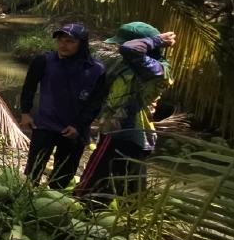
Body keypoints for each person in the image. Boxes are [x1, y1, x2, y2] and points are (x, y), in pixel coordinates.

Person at [76, 22, 176, 202]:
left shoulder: (155, 68)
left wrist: (156, 40)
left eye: (120, 43)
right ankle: (123, 215)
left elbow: (130, 49)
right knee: (128, 183)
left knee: (96, 177)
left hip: (121, 131)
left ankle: (83, 204)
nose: (118, 47)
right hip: (135, 132)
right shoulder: (133, 65)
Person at [19, 23, 107, 188]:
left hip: (74, 130)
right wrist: (25, 113)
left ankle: (53, 202)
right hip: (45, 124)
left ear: (82, 44)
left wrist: (78, 126)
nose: (62, 45)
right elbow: (29, 87)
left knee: (63, 176)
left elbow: (96, 103)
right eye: (60, 40)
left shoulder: (96, 70)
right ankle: (26, 199)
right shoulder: (44, 61)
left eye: (69, 41)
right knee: (33, 172)